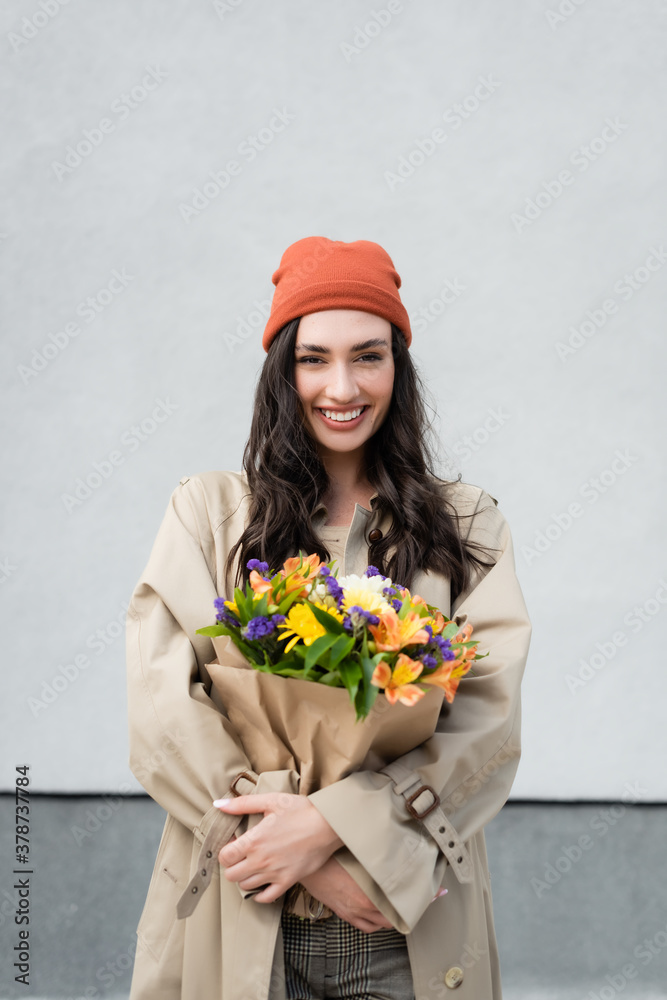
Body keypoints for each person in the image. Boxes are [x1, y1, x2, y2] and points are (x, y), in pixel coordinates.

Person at [125, 236, 532, 1000]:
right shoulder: (210, 514)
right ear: (282, 370)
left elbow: (487, 721)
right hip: (241, 904)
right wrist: (287, 847)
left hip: (401, 922)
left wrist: (339, 832)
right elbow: (163, 710)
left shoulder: (467, 524)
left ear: (397, 368)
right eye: (313, 358)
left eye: (367, 356)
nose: (340, 386)